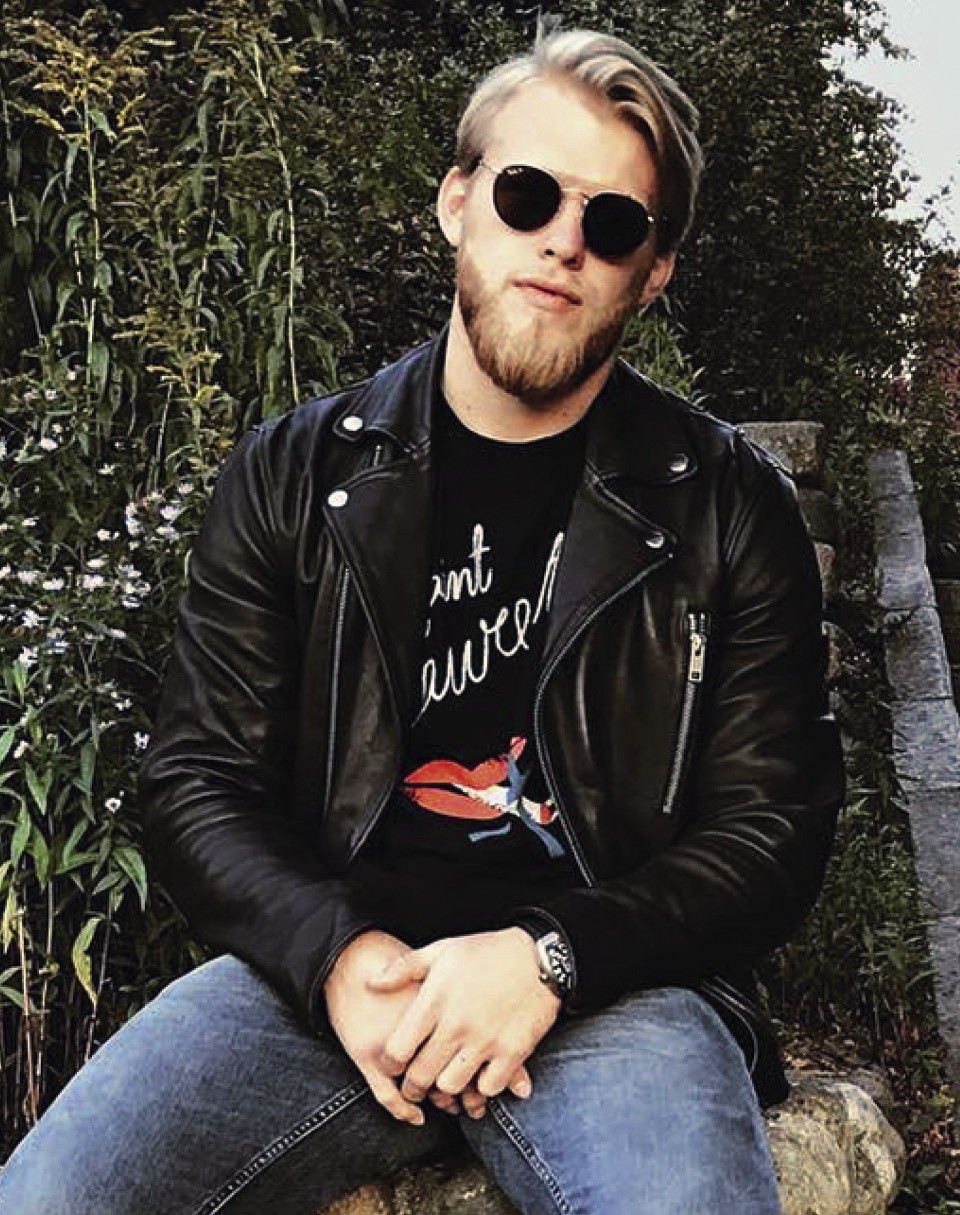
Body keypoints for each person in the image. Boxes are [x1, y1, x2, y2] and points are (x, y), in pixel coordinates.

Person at [0, 26, 844, 1215]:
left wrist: (553, 956)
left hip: (618, 988)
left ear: (653, 271)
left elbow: (776, 826)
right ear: (458, 203)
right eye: (527, 193)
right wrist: (335, 957)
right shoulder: (295, 473)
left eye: (612, 224)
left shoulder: (725, 501)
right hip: (341, 981)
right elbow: (197, 778)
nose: (563, 240)